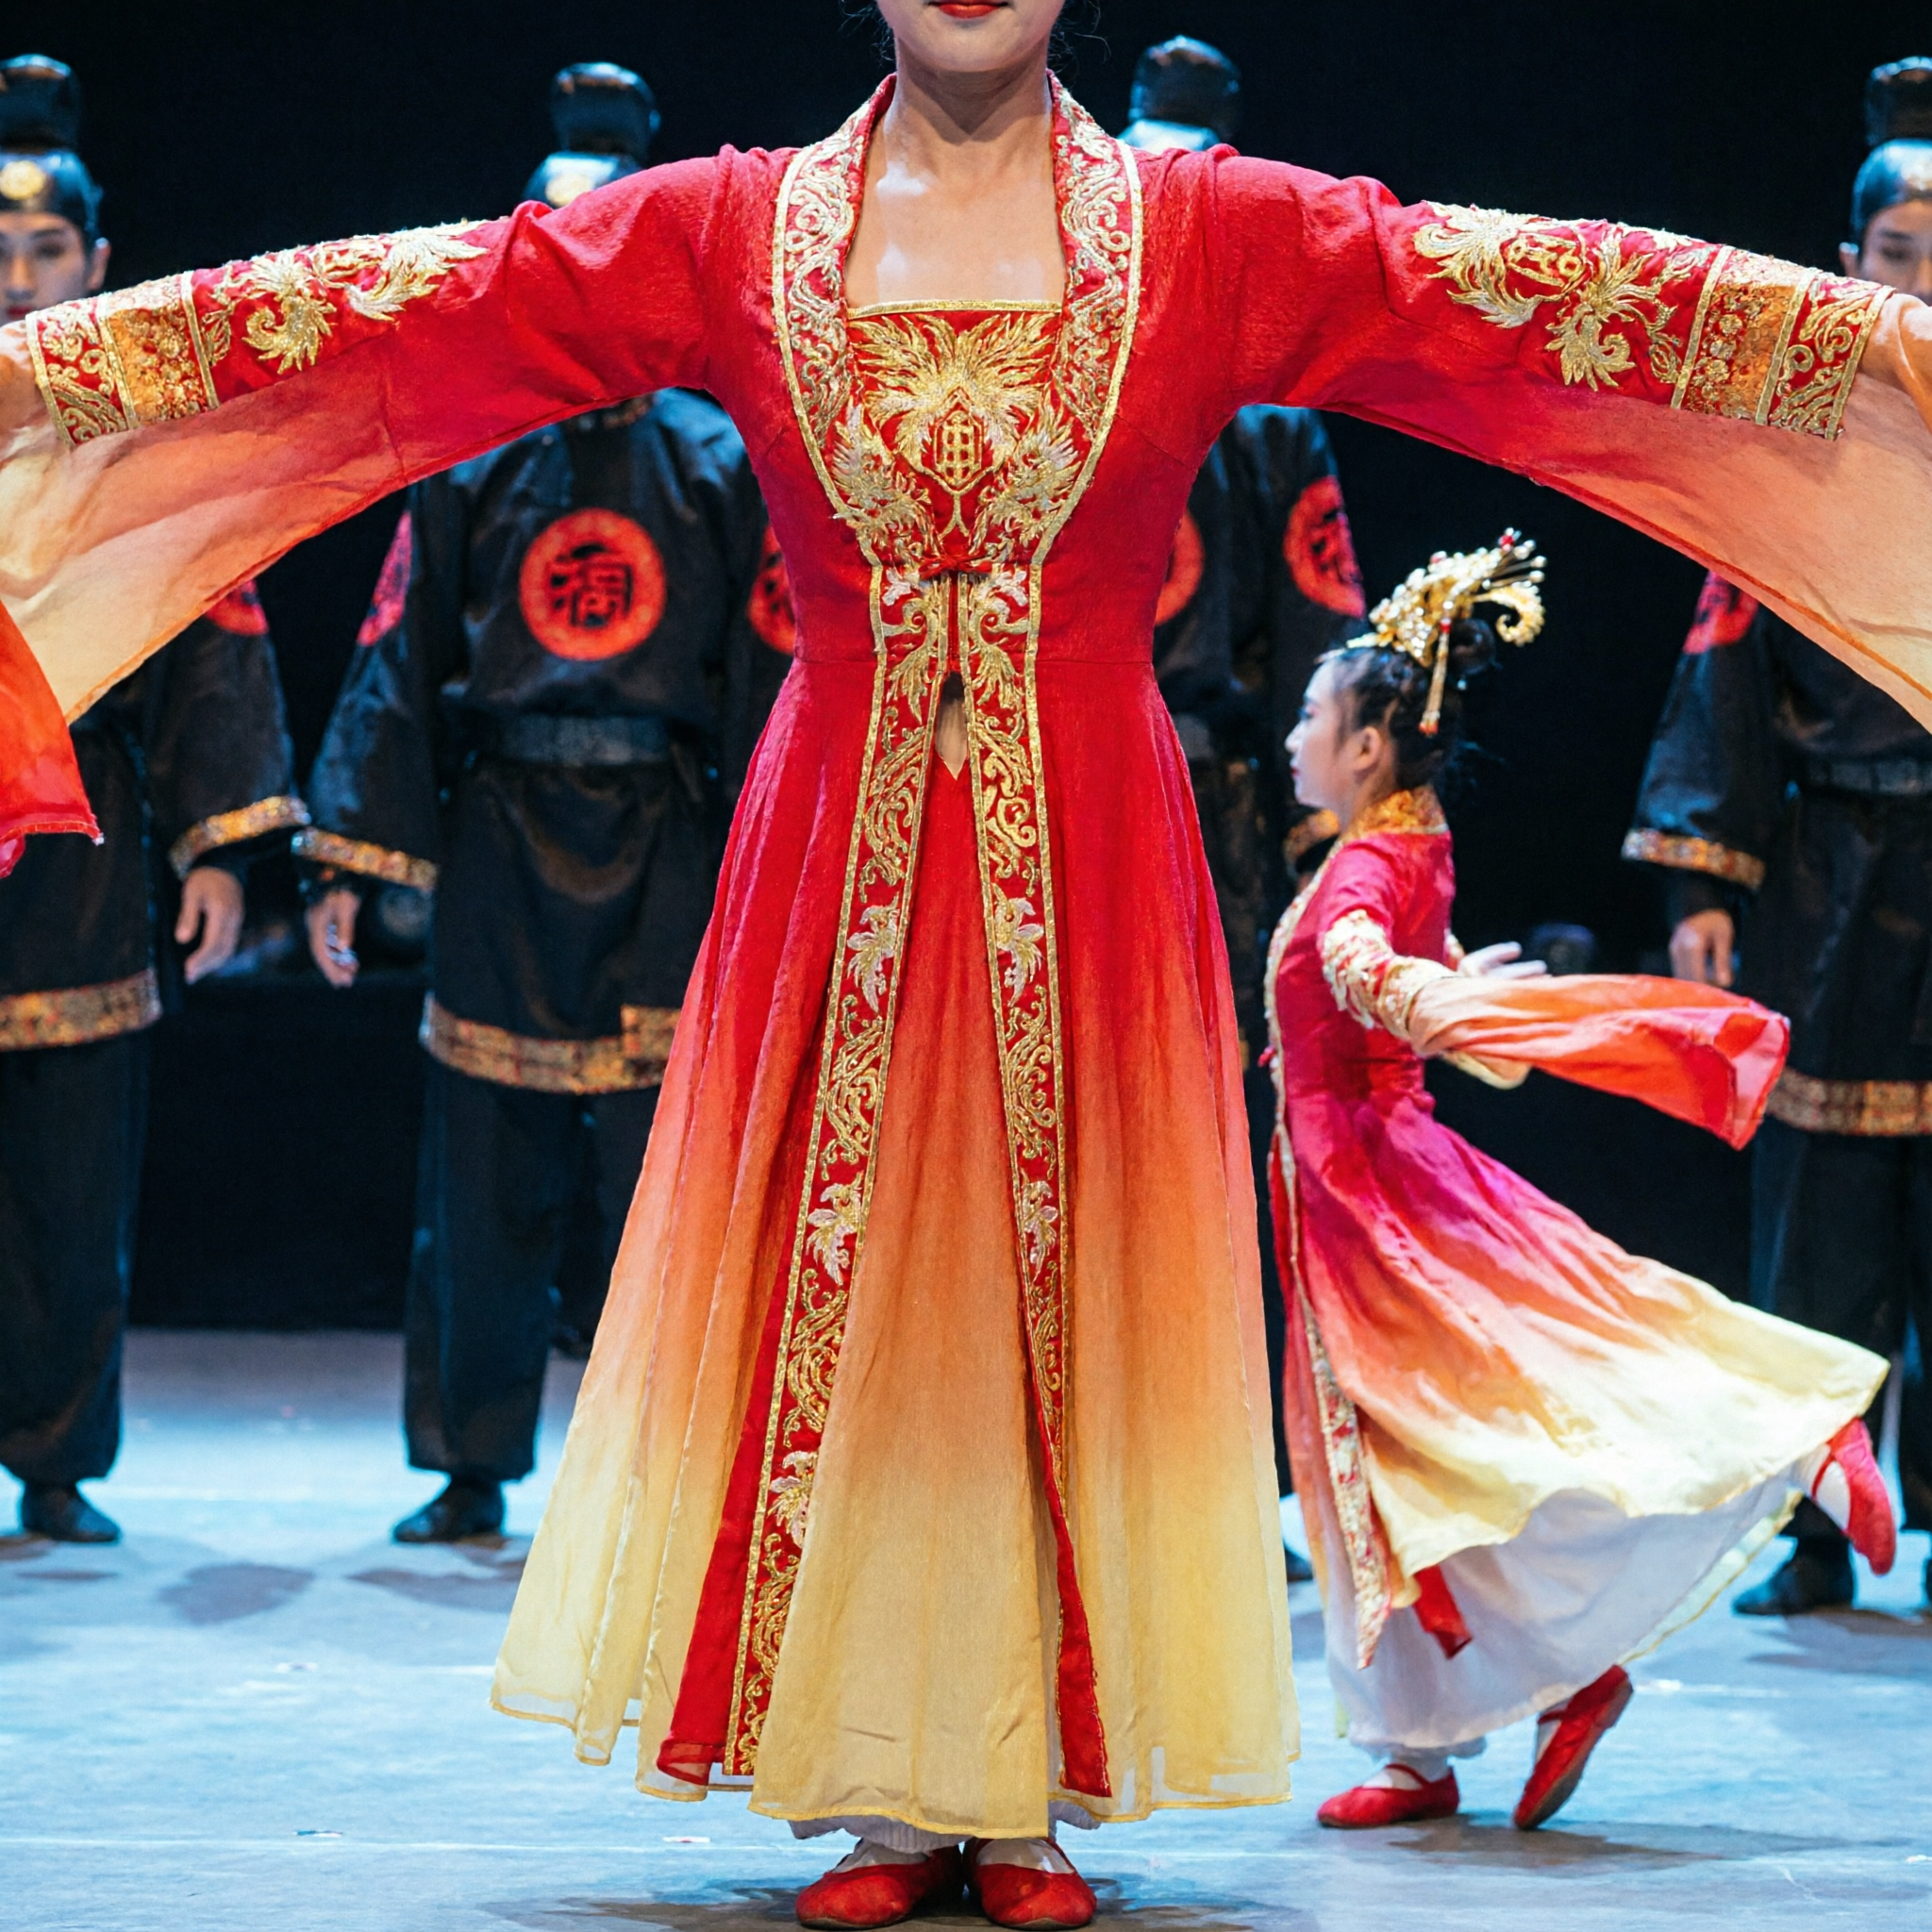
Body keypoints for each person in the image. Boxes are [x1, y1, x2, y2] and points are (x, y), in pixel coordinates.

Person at [6, 2, 1932, 1921]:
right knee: (863, 1312)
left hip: (1087, 852)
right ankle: (871, 1768)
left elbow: (1511, 297)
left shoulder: (1206, 237)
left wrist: (1880, 355)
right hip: (827, 853)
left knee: (1053, 1293)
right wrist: (50, 386)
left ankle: (1019, 1783)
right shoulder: (733, 230)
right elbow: (417, 313)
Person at [1266, 537, 1891, 1831]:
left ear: (1371, 746)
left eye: (1313, 718)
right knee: (1411, 1460)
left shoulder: (1368, 869)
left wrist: (1443, 1006)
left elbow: (1370, 974)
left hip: (1369, 1191)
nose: (1292, 738)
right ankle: (1430, 1743)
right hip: (1353, 1177)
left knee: (1461, 1430)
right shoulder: (1408, 837)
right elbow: (1406, 990)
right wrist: (1462, 1004)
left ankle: (1783, 1439)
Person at [298, 62, 793, 1546]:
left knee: (661, 1181)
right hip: (508, 843)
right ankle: (472, 1462)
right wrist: (349, 861)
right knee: (486, 1173)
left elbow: (775, 676)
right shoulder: (470, 460)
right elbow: (399, 653)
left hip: (665, 851)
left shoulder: (722, 459)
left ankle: (670, 1462)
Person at [1626, 56, 1932, 1618]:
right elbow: (1727, 660)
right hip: (1833, 874)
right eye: (1899, 253)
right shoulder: (1805, 449)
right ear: (1848, 262)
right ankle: (1817, 1520)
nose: (1922, 281)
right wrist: (1699, 867)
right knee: (1817, 1216)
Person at [0, 54, 303, 1544]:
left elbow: (213, 630)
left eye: (46, 248)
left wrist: (222, 848)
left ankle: (55, 1460)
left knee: (68, 1177)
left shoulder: (139, 431)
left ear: (100, 260)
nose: (19, 275)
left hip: (87, 837)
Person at [1120, 33, 1366, 1581]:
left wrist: (1327, 861)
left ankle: (1235, 1483)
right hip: (1053, 769)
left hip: (1214, 810)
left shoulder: (1274, 420)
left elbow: (1325, 660)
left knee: (1217, 1144)